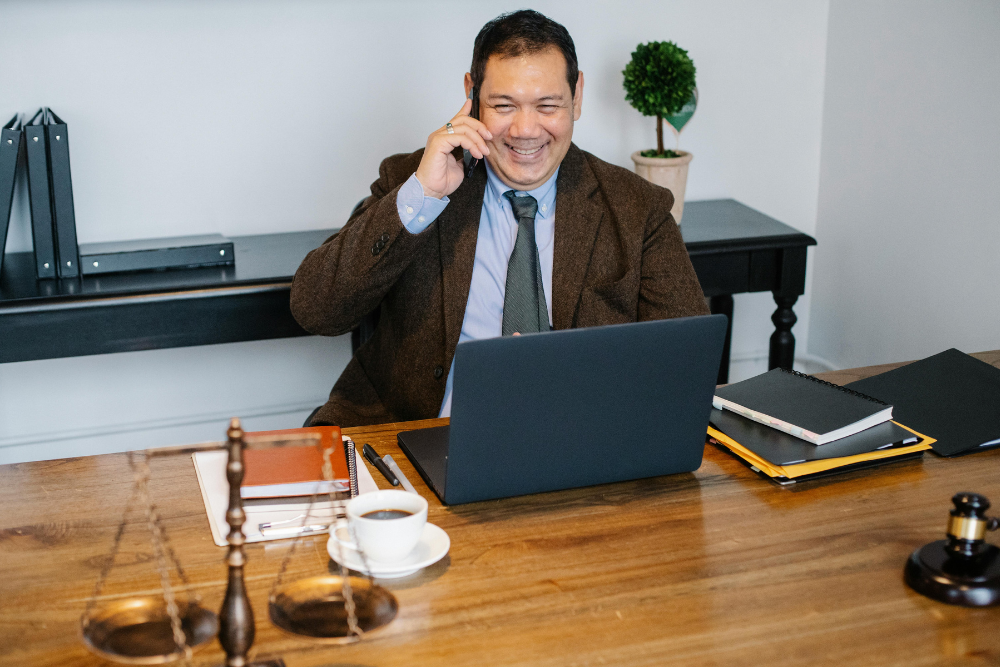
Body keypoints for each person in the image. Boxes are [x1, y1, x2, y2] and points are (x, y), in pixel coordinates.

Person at [291, 10, 708, 427]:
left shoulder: (638, 208)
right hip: (409, 435)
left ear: (576, 95)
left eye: (547, 105)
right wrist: (424, 195)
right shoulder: (413, 180)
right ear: (472, 95)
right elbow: (315, 310)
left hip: (575, 438)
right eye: (504, 105)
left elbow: (686, 363)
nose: (526, 130)